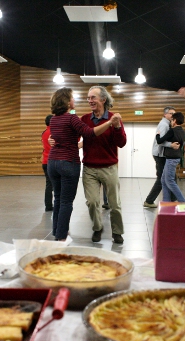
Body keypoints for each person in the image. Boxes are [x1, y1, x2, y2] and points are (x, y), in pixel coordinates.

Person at [47, 87, 120, 241]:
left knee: (58, 199)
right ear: (67, 102)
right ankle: (60, 238)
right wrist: (109, 124)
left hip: (52, 163)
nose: (76, 100)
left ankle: (57, 231)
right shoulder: (72, 118)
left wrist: (51, 140)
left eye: (92, 97)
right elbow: (89, 133)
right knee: (66, 201)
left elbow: (59, 135)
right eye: (72, 98)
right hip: (68, 163)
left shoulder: (54, 119)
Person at [81, 85, 126, 244]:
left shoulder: (114, 118)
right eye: (88, 98)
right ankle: (97, 227)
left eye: (93, 97)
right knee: (92, 202)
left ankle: (117, 232)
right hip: (89, 168)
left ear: (103, 99)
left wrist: (118, 126)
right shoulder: (85, 119)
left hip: (109, 167)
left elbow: (121, 143)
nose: (90, 100)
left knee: (114, 204)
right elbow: (79, 136)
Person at [143, 106, 178, 208]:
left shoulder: (167, 124)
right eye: (171, 113)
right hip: (160, 155)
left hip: (161, 154)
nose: (172, 116)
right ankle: (149, 201)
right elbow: (160, 141)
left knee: (170, 177)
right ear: (165, 114)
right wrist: (171, 145)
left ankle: (172, 200)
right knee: (162, 179)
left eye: (173, 114)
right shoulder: (164, 125)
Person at [157, 112, 185, 202]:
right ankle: (166, 202)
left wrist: (157, 134)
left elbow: (159, 141)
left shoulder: (172, 131)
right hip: (175, 157)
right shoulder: (183, 132)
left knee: (169, 181)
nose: (171, 122)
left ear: (175, 121)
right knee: (163, 180)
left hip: (171, 159)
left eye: (172, 120)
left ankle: (183, 201)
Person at [41, 114, 54, 211]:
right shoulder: (54, 132)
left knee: (49, 184)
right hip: (53, 161)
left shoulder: (44, 132)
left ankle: (48, 205)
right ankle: (49, 205)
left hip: (45, 161)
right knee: (54, 184)